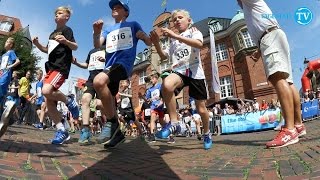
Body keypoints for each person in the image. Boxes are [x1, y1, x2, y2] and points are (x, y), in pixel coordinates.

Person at [238, 0, 306, 148]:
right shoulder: (251, 8)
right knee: (287, 81)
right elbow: (262, 26)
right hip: (272, 35)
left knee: (277, 77)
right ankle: (298, 125)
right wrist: (258, 50)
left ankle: (289, 130)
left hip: (270, 37)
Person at [150, 9, 213, 150]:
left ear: (189, 20)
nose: (177, 20)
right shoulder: (173, 39)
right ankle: (174, 122)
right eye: (175, 19)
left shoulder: (194, 31)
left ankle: (207, 133)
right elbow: (163, 57)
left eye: (180, 17)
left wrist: (174, 35)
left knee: (201, 109)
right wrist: (156, 43)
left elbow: (198, 44)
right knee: (166, 84)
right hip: (180, 71)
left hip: (195, 73)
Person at [92, 0, 152, 148]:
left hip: (123, 64)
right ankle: (118, 134)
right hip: (110, 66)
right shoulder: (108, 29)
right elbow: (97, 45)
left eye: (118, 6)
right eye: (113, 7)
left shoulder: (133, 24)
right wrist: (97, 32)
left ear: (126, 12)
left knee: (99, 81)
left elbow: (148, 41)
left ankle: (112, 124)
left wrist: (150, 39)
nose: (114, 8)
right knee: (104, 101)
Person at [32, 6, 79, 145]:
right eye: (55, 14)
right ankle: (61, 130)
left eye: (60, 13)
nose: (56, 15)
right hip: (50, 68)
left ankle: (69, 101)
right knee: (48, 101)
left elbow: (75, 46)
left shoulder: (67, 30)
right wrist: (37, 44)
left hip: (60, 67)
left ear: (67, 17)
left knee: (46, 91)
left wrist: (66, 41)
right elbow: (47, 50)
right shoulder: (52, 34)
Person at [72, 47, 107, 145]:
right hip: (91, 80)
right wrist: (76, 62)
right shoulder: (92, 51)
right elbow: (86, 65)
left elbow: (115, 62)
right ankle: (85, 130)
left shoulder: (109, 48)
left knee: (100, 104)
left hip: (103, 79)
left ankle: (110, 123)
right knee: (85, 99)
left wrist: (106, 60)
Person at [0, 37, 21, 137]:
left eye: (8, 42)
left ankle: (8, 106)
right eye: (6, 41)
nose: (6, 43)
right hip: (1, 74)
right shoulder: (3, 55)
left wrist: (9, 67)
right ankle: (9, 117)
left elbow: (18, 61)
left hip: (5, 76)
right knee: (1, 96)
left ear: (11, 44)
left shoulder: (11, 52)